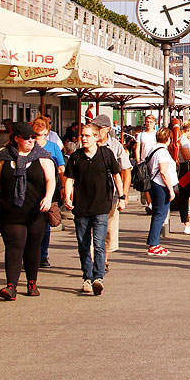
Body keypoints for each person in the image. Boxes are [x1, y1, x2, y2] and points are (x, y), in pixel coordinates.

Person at [0, 122, 56, 300]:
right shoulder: (4, 158)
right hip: (10, 212)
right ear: (16, 139)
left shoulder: (42, 157)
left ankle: (31, 282)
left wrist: (48, 197)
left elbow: (51, 179)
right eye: (27, 138)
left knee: (32, 246)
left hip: (36, 212)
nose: (31, 140)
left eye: (33, 137)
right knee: (14, 246)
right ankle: (11, 286)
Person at [64, 123, 125, 295]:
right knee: (83, 246)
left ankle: (98, 278)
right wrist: (68, 197)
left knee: (98, 245)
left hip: (101, 207)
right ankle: (87, 278)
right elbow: (69, 179)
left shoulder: (106, 155)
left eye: (87, 136)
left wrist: (121, 197)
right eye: (82, 136)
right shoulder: (76, 157)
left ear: (96, 137)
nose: (83, 138)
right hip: (81, 208)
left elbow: (116, 176)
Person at [92, 114, 132, 271]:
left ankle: (103, 260)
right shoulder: (88, 143)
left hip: (111, 195)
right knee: (90, 230)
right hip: (90, 195)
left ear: (107, 129)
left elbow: (126, 171)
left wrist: (125, 195)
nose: (96, 130)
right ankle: (93, 262)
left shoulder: (116, 146)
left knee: (108, 229)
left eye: (99, 128)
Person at [33, 117, 65, 268]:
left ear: (47, 130)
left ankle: (43, 255)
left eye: (42, 125)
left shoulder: (53, 147)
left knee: (45, 224)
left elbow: (61, 168)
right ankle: (30, 255)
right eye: (36, 124)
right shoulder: (28, 145)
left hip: (48, 190)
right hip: (30, 190)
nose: (39, 127)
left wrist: (64, 188)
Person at [144, 126, 176, 256]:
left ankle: (154, 242)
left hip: (154, 184)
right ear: (168, 139)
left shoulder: (153, 149)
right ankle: (154, 244)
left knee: (157, 214)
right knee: (160, 215)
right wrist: (171, 189)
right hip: (161, 185)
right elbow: (163, 171)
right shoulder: (162, 152)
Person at [136, 115, 159, 215]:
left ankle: (154, 202)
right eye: (147, 121)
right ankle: (150, 204)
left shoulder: (156, 134)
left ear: (154, 123)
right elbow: (137, 148)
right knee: (145, 183)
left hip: (154, 161)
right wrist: (138, 161)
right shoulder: (141, 135)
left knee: (155, 183)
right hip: (143, 161)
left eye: (151, 122)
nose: (149, 123)